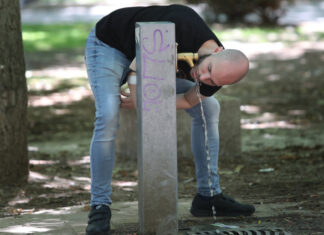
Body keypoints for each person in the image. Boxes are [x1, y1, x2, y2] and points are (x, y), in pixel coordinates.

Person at [84, 4, 254, 235]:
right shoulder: (181, 25)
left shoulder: (216, 76)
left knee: (209, 107)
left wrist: (143, 100)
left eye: (212, 81)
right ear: (217, 51)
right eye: (208, 70)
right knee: (108, 113)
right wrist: (143, 99)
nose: (202, 78)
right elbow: (136, 74)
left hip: (150, 65)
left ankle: (208, 196)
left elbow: (186, 100)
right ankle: (100, 205)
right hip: (110, 45)